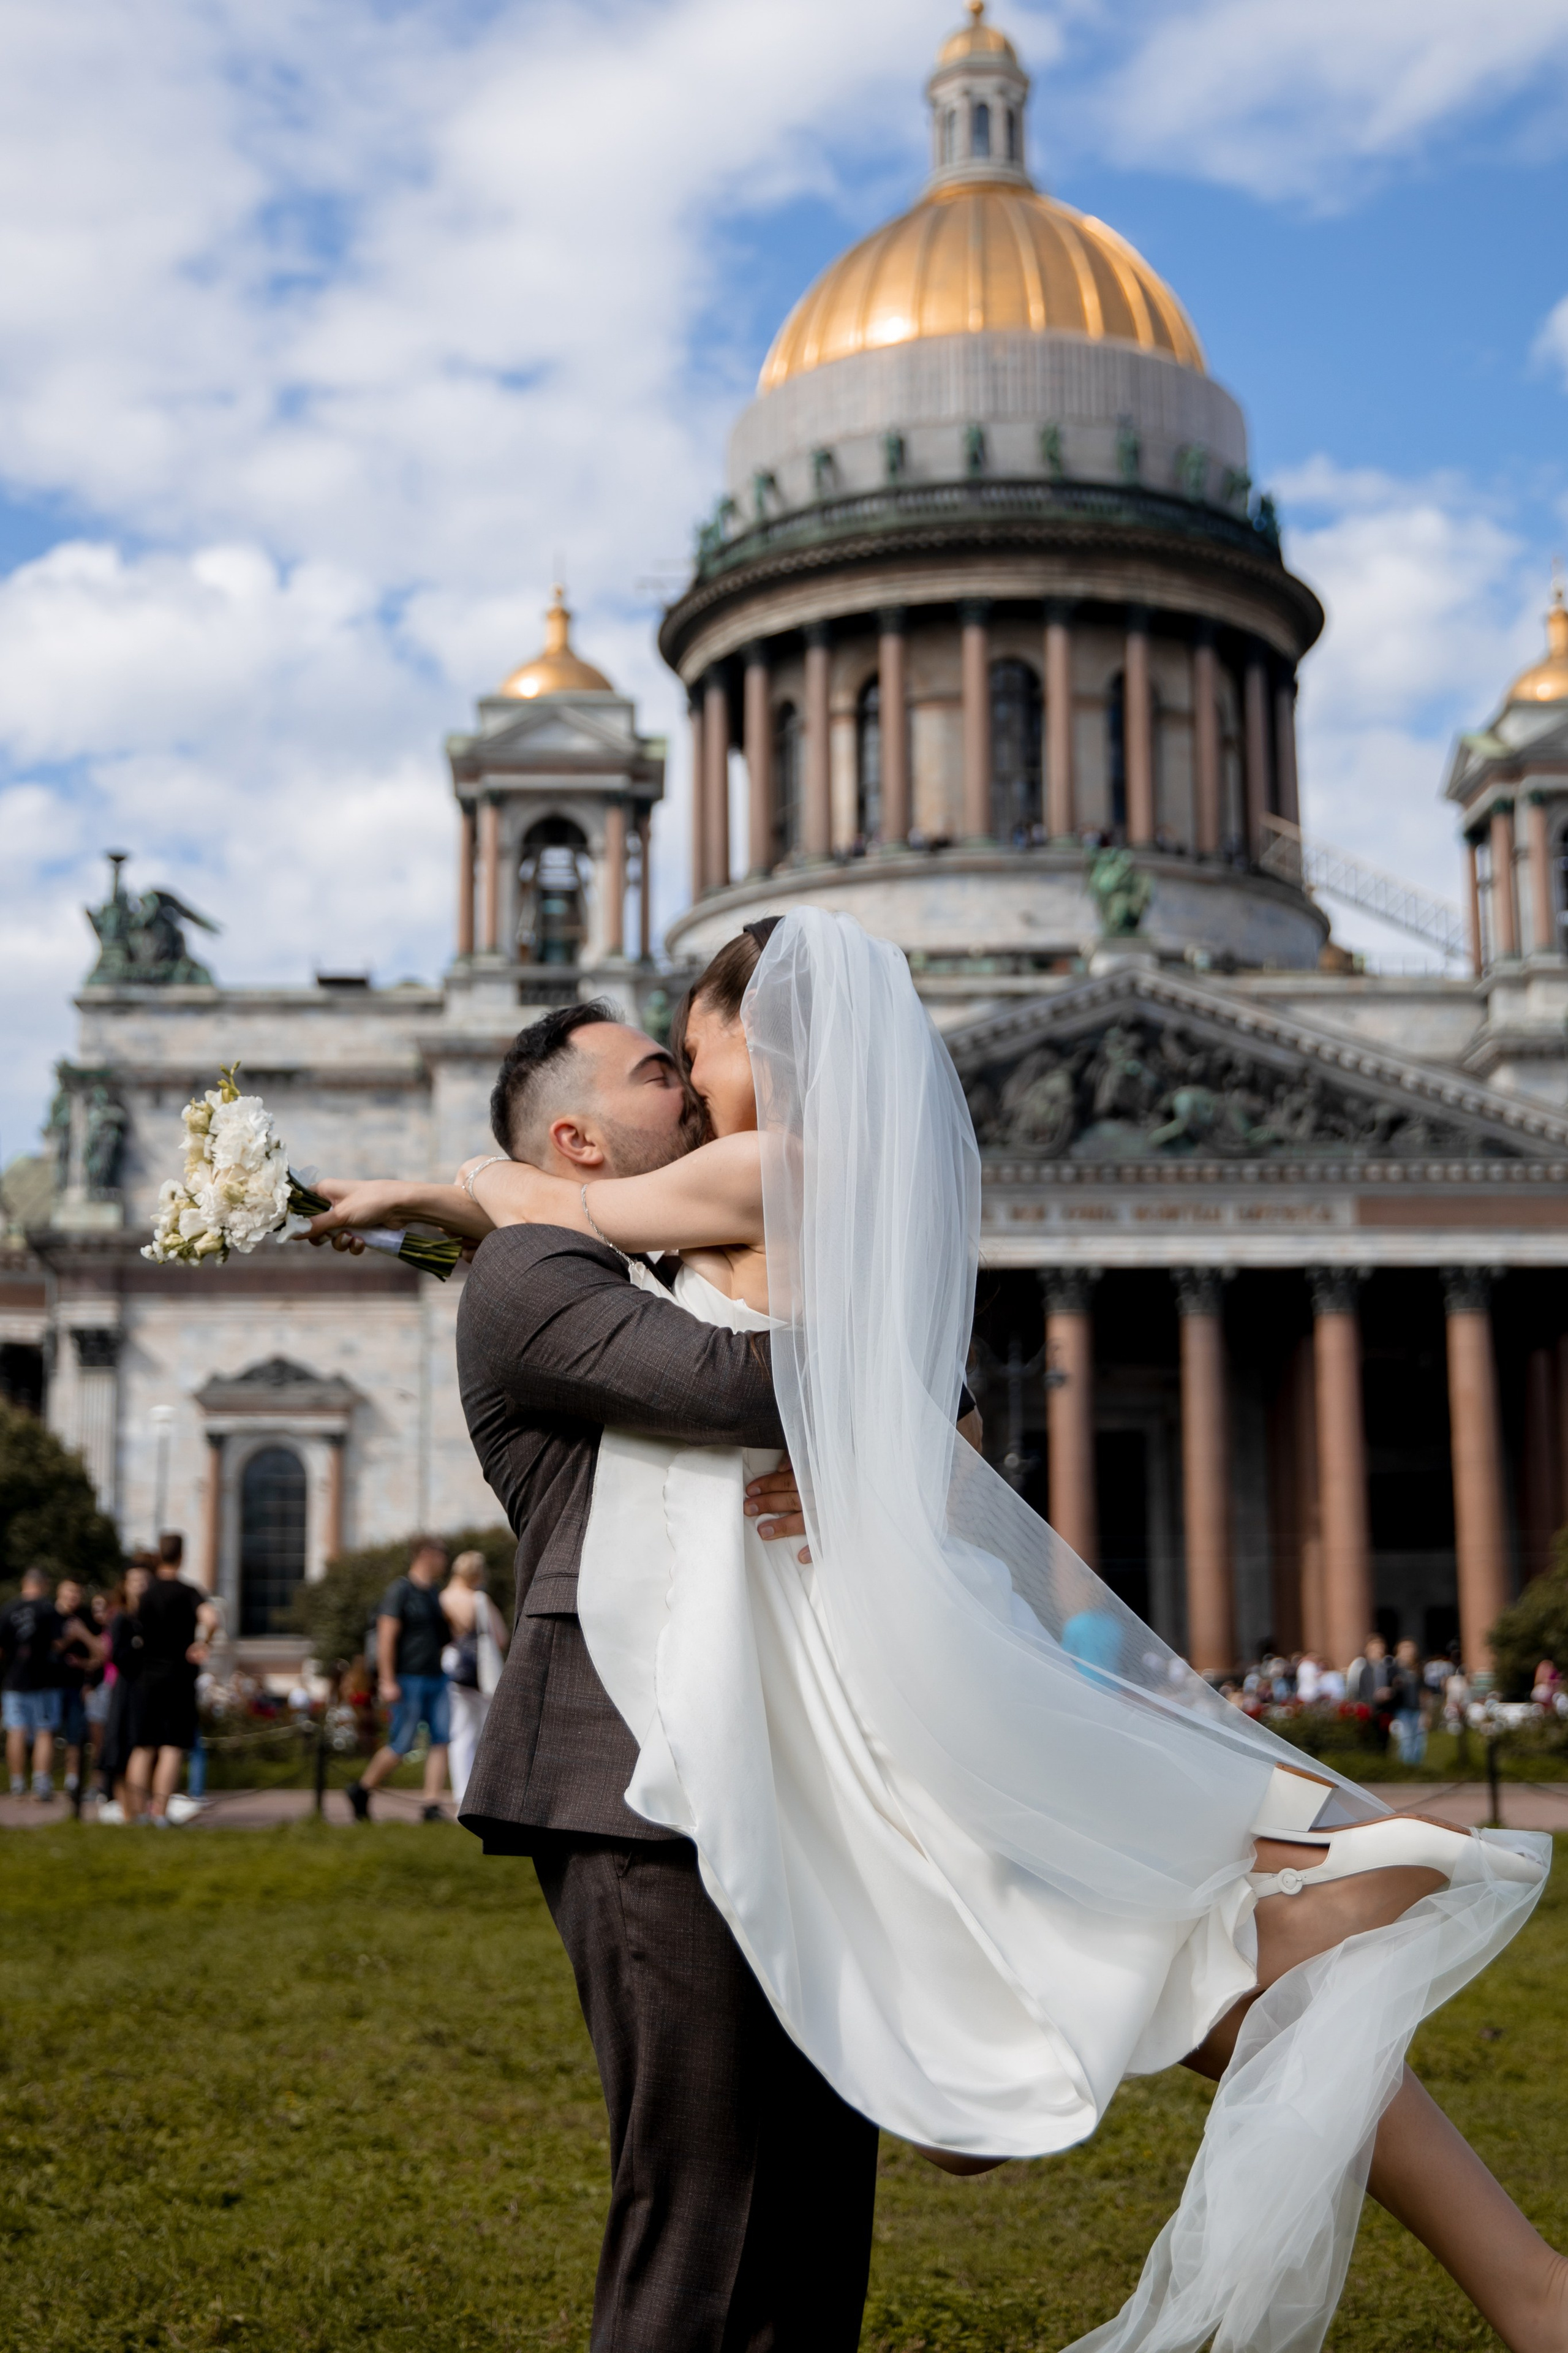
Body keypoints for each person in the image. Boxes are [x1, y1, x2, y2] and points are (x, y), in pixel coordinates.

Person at [312, 912, 1561, 2353]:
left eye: (688, 1044)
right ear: (578, 1135)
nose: (686, 1074)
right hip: (674, 1747)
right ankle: (1440, 2169)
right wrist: (875, 1419)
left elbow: (848, 1387)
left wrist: (454, 1184)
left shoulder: (715, 1184)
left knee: (847, 2157)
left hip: (823, 1688)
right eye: (655, 1065)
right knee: (746, 2169)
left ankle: (1445, 2170)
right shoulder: (561, 1266)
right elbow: (786, 1383)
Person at [347, 1537, 453, 1822]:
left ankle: (431, 1805)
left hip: (436, 1678)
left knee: (442, 1739)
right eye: (442, 1556)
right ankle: (362, 1789)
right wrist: (387, 1680)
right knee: (402, 1743)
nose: (445, 1562)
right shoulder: (400, 1591)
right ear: (427, 1555)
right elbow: (386, 1637)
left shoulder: (434, 1593)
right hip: (408, 1679)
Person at [127, 1534, 218, 1826]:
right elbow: (212, 1619)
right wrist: (204, 1644)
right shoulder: (188, 1591)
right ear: (182, 1556)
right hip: (179, 1677)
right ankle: (161, 1815)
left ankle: (138, 1814)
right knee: (171, 1746)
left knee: (143, 1747)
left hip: (147, 1677)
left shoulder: (147, 1594)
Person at [439, 1550, 508, 1807]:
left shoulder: (442, 1598)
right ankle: (483, 1792)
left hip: (452, 1663)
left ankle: (461, 1792)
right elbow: (500, 1636)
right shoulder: (479, 1599)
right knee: (483, 1730)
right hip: (479, 1668)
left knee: (460, 1731)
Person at [1, 1568, 64, 1800]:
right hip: (43, 1681)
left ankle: (18, 1784)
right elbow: (58, 1643)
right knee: (44, 1732)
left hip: (14, 1680)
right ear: (44, 1584)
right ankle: (41, 1784)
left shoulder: (7, 1610)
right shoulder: (48, 1609)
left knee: (16, 1731)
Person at [97, 1562, 153, 1821]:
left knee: (143, 1749)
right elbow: (117, 1655)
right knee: (120, 1750)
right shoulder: (121, 1618)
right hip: (127, 1690)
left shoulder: (153, 1617)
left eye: (145, 1580)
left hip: (147, 1690)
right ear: (126, 1586)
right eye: (135, 1581)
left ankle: (140, 1809)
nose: (141, 1586)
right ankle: (127, 1812)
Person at [53, 1578, 104, 1808]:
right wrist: (68, 1639)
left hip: (77, 1687)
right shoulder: (49, 1616)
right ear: (59, 1593)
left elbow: (100, 1654)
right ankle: (39, 1781)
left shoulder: (85, 1618)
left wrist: (82, 1635)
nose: (73, 1597)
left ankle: (73, 1782)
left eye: (77, 1592)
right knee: (45, 1734)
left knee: (76, 1736)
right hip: (49, 1686)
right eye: (69, 1592)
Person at [1388, 1639, 1428, 1766]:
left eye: (1410, 1648)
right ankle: (1406, 1768)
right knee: (1406, 1739)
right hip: (1402, 1709)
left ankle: (1416, 1767)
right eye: (1405, 1648)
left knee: (1419, 1740)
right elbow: (1390, 1687)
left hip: (1417, 1709)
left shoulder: (1418, 1668)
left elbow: (1424, 1691)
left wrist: (1426, 1712)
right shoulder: (1394, 1668)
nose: (1408, 1651)